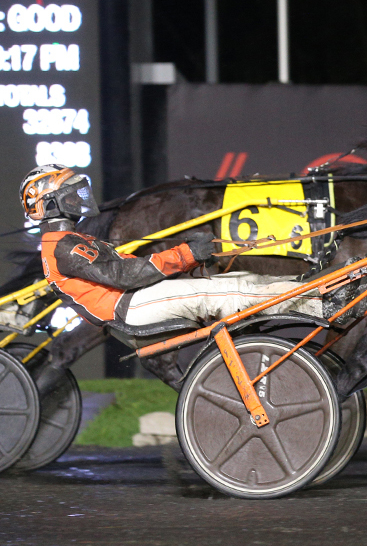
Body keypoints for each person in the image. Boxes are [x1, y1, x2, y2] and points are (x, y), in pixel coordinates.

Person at [21, 164, 337, 392]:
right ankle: (323, 304)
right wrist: (186, 253)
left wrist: (185, 262)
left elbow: (133, 265)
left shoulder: (77, 241)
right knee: (230, 291)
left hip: (138, 298)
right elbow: (123, 275)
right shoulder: (62, 246)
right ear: (48, 204)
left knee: (242, 277)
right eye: (70, 195)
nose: (79, 199)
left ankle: (309, 288)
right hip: (131, 306)